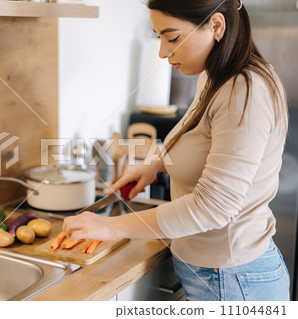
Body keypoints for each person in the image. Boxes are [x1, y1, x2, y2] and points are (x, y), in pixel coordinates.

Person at [63, 0, 290, 301]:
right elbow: (192, 129)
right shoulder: (216, 75)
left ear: (217, 26)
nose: (162, 51)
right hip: (217, 276)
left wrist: (111, 227)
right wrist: (155, 165)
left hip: (234, 282)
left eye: (172, 38)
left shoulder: (243, 91)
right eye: (159, 37)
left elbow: (213, 207)